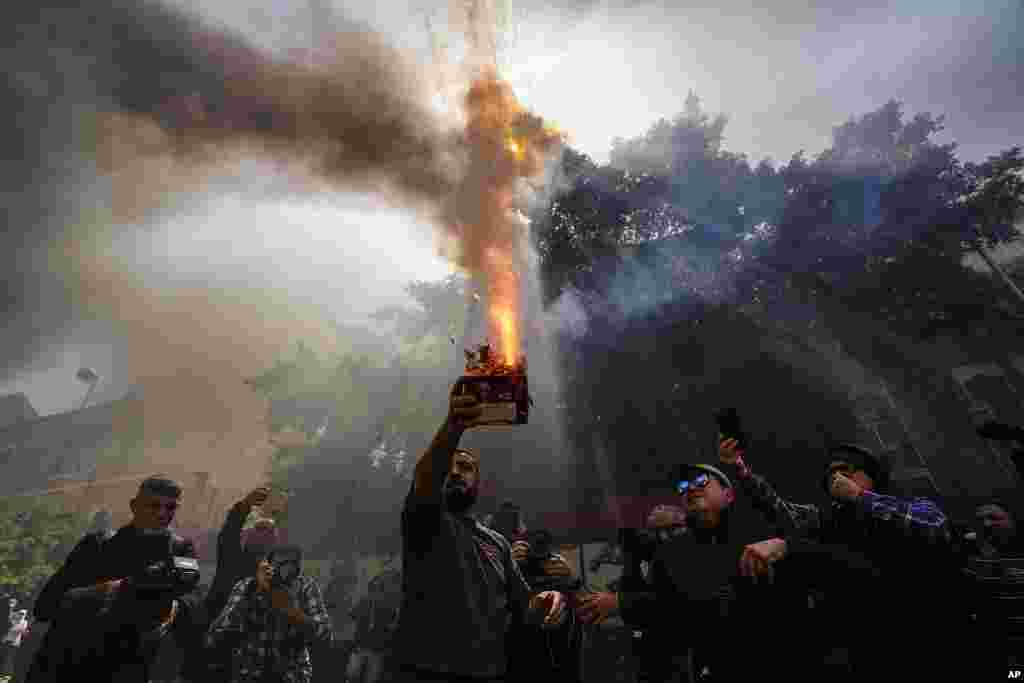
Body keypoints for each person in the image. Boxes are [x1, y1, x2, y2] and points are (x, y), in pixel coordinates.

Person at [719, 438, 960, 678]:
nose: (837, 478)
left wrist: (861, 497)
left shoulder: (909, 502)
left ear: (871, 476)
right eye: (832, 474)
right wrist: (741, 470)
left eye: (847, 471)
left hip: (924, 638)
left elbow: (934, 527)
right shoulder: (827, 521)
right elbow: (779, 508)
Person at [392, 384, 567, 682]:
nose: (455, 472)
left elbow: (525, 605)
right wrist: (454, 425)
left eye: (465, 467)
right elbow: (425, 478)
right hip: (426, 672)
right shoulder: (425, 519)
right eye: (448, 466)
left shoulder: (497, 543)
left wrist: (550, 598)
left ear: (478, 482)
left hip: (490, 672)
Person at [592, 462, 795, 682]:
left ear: (728, 494)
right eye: (683, 486)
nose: (689, 488)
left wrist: (785, 546)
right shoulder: (671, 554)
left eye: (701, 481)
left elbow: (821, 549)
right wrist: (624, 593)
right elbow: (671, 610)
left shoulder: (760, 528)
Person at [26, 475, 203, 683]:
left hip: (130, 661)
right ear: (134, 506)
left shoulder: (181, 550)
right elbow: (48, 603)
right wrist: (102, 593)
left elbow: (190, 588)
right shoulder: (97, 545)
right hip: (74, 657)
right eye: (154, 506)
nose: (163, 513)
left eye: (170, 508)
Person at [577, 505, 689, 683]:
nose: (663, 537)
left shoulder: (692, 557)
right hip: (650, 651)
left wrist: (619, 602)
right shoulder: (651, 557)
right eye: (656, 531)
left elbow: (677, 602)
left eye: (672, 529)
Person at [206, 544, 332, 683]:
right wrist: (252, 593)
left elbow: (324, 634)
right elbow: (217, 632)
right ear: (268, 565)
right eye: (282, 564)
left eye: (294, 563)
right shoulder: (249, 586)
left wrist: (293, 612)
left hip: (292, 675)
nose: (289, 569)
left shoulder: (305, 586)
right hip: (249, 674)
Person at [961, 497, 1024, 668]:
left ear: (1012, 520)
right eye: (980, 520)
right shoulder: (969, 561)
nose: (987, 524)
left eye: (995, 518)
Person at [348, 562, 402, 683]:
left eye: (379, 588)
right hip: (361, 647)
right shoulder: (364, 602)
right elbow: (351, 614)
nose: (376, 591)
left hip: (376, 649)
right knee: (353, 675)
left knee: (371, 679)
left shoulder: (387, 604)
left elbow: (392, 624)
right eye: (374, 588)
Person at [2, 608, 29, 677]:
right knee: (5, 656)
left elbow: (21, 631)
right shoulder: (14, 619)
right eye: (20, 613)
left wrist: (23, 631)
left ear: (25, 615)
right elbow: (10, 622)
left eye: (23, 614)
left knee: (10, 658)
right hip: (7, 641)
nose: (21, 615)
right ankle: (4, 672)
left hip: (14, 643)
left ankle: (7, 673)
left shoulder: (24, 622)